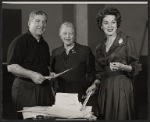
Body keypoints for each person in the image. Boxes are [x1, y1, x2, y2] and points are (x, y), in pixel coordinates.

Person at [86, 7, 142, 120]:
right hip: (105, 89)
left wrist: (123, 67)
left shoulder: (126, 41)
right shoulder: (99, 48)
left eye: (113, 22)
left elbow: (136, 66)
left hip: (122, 87)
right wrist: (94, 85)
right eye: (106, 23)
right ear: (101, 26)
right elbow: (100, 73)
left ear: (117, 24)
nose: (110, 26)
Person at [7, 10, 55, 119]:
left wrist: (50, 73)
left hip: (44, 89)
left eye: (44, 22)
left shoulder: (44, 44)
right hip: (25, 90)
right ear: (29, 23)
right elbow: (11, 67)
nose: (41, 25)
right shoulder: (19, 42)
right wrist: (32, 74)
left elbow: (45, 66)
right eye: (37, 21)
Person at [51, 22, 96, 107]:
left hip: (80, 96)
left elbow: (92, 73)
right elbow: (51, 73)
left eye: (71, 33)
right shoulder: (55, 53)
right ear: (60, 35)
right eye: (65, 33)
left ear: (75, 35)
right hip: (60, 96)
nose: (68, 36)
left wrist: (91, 86)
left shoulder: (85, 51)